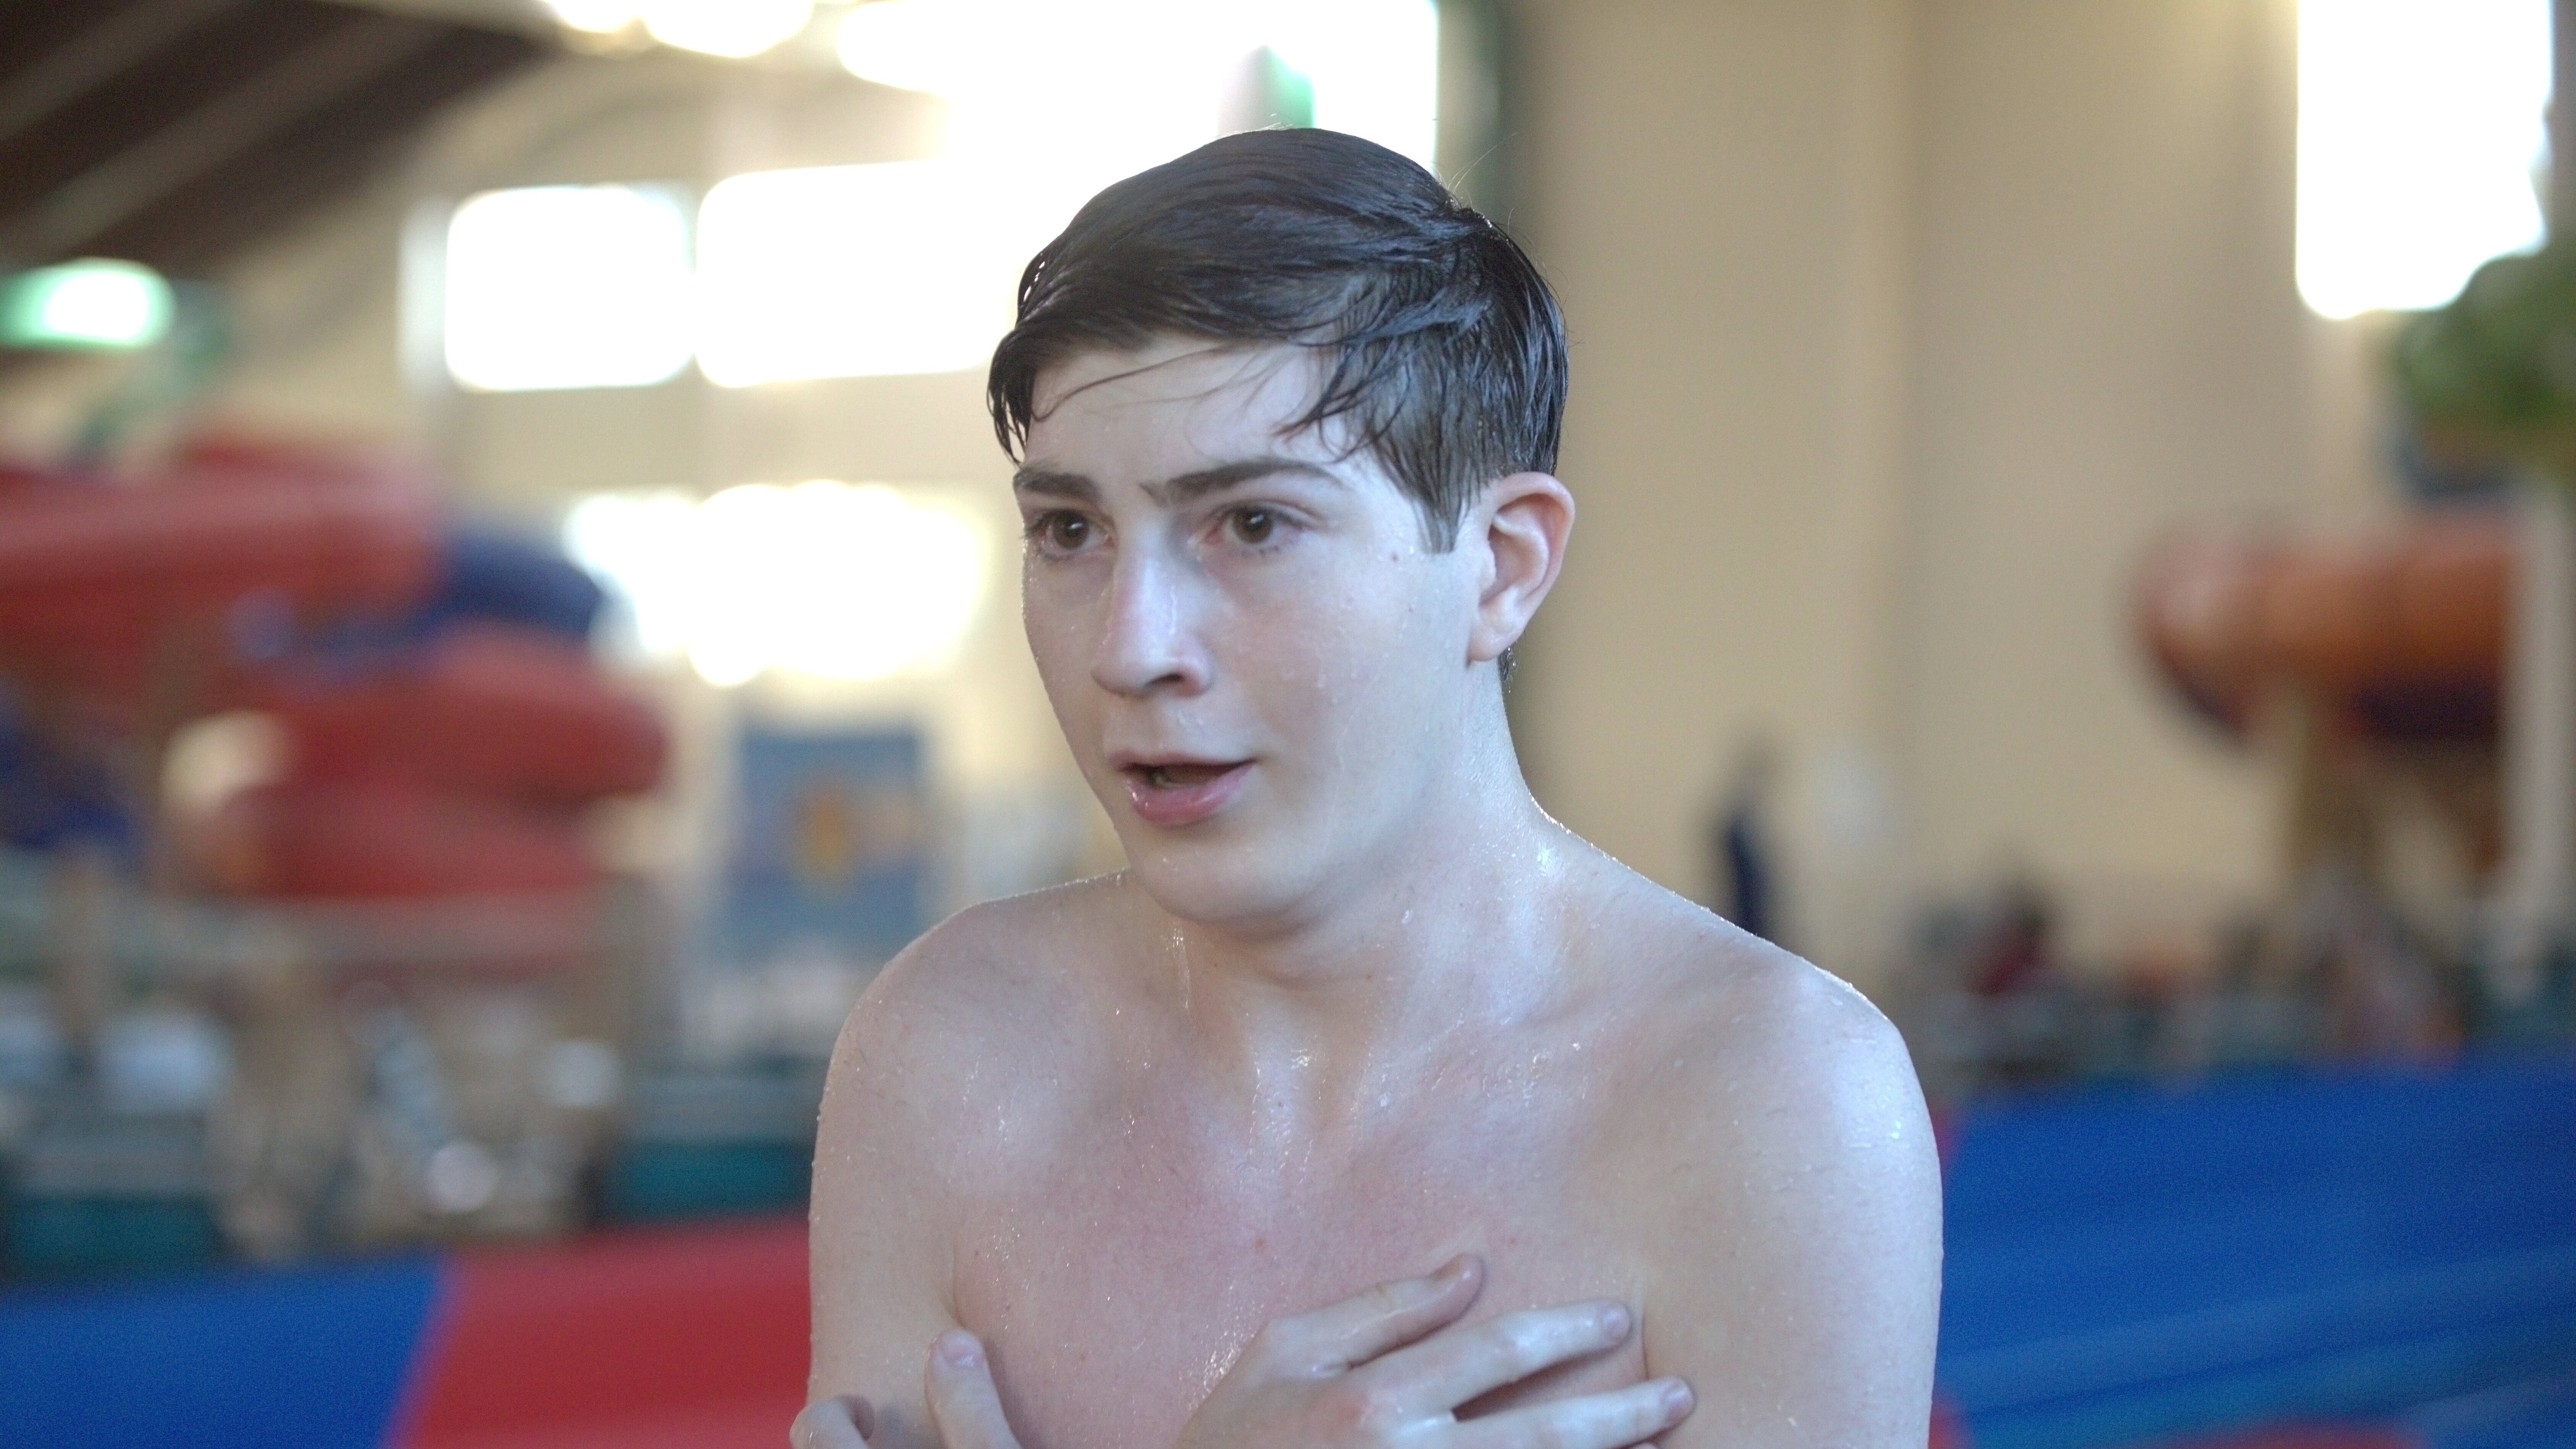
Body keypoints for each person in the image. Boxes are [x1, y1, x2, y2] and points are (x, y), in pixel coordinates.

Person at [797, 128, 1941, 1449]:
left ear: (1503, 565)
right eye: (1070, 531)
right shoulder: (949, 1056)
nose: (1129, 646)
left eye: (1254, 524)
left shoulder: (1768, 1106)